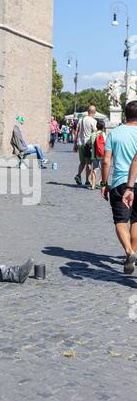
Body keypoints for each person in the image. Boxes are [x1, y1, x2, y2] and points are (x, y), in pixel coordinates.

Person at [101, 101, 137, 275]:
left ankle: (129, 252)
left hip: (121, 182)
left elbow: (106, 160)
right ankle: (132, 255)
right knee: (136, 220)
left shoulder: (115, 133)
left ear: (125, 114)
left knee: (120, 220)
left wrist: (103, 183)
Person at [74, 106, 98, 187]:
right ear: (94, 112)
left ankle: (78, 175)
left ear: (88, 111)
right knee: (89, 163)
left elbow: (76, 132)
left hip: (80, 143)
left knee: (82, 162)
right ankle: (87, 180)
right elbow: (95, 133)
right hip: (88, 144)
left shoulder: (81, 120)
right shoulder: (94, 121)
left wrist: (75, 144)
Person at [90, 120, 106, 190]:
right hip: (102, 154)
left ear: (96, 126)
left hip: (94, 154)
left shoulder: (93, 134)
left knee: (94, 169)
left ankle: (93, 185)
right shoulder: (103, 134)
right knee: (103, 169)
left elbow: (90, 144)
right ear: (103, 127)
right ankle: (102, 183)